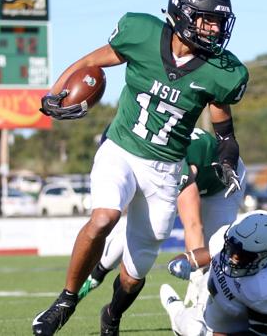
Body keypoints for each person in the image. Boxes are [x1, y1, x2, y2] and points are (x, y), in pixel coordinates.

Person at [32, 0, 249, 336]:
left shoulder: (220, 71)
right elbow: (90, 61)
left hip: (165, 170)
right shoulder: (141, 33)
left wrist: (227, 158)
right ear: (181, 15)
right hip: (121, 148)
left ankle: (112, 314)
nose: (214, 29)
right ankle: (66, 300)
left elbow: (224, 128)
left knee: (134, 274)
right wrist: (55, 92)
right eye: (206, 19)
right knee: (104, 217)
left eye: (218, 22)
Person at [77, 127, 247, 305]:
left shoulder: (172, 162)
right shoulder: (145, 152)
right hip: (187, 170)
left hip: (221, 185)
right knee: (141, 230)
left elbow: (193, 224)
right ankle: (95, 275)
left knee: (216, 248)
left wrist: (196, 274)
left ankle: (211, 311)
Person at [160, 210, 267, 336]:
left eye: (244, 255)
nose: (234, 257)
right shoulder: (228, 237)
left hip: (230, 326)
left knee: (195, 330)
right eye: (233, 248)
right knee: (190, 325)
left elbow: (257, 333)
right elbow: (209, 253)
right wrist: (182, 261)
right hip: (207, 293)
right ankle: (176, 307)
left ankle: (175, 307)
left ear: (266, 257)